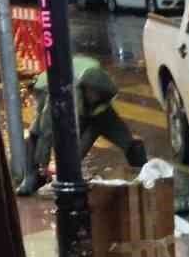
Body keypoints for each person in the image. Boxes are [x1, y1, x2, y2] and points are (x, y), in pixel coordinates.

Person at [16, 53, 147, 195]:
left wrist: (131, 148)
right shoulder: (62, 94)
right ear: (88, 91)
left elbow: (108, 123)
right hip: (48, 86)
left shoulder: (101, 90)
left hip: (82, 80)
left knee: (123, 137)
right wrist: (43, 163)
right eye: (93, 96)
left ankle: (146, 174)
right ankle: (32, 177)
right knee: (38, 131)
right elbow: (46, 131)